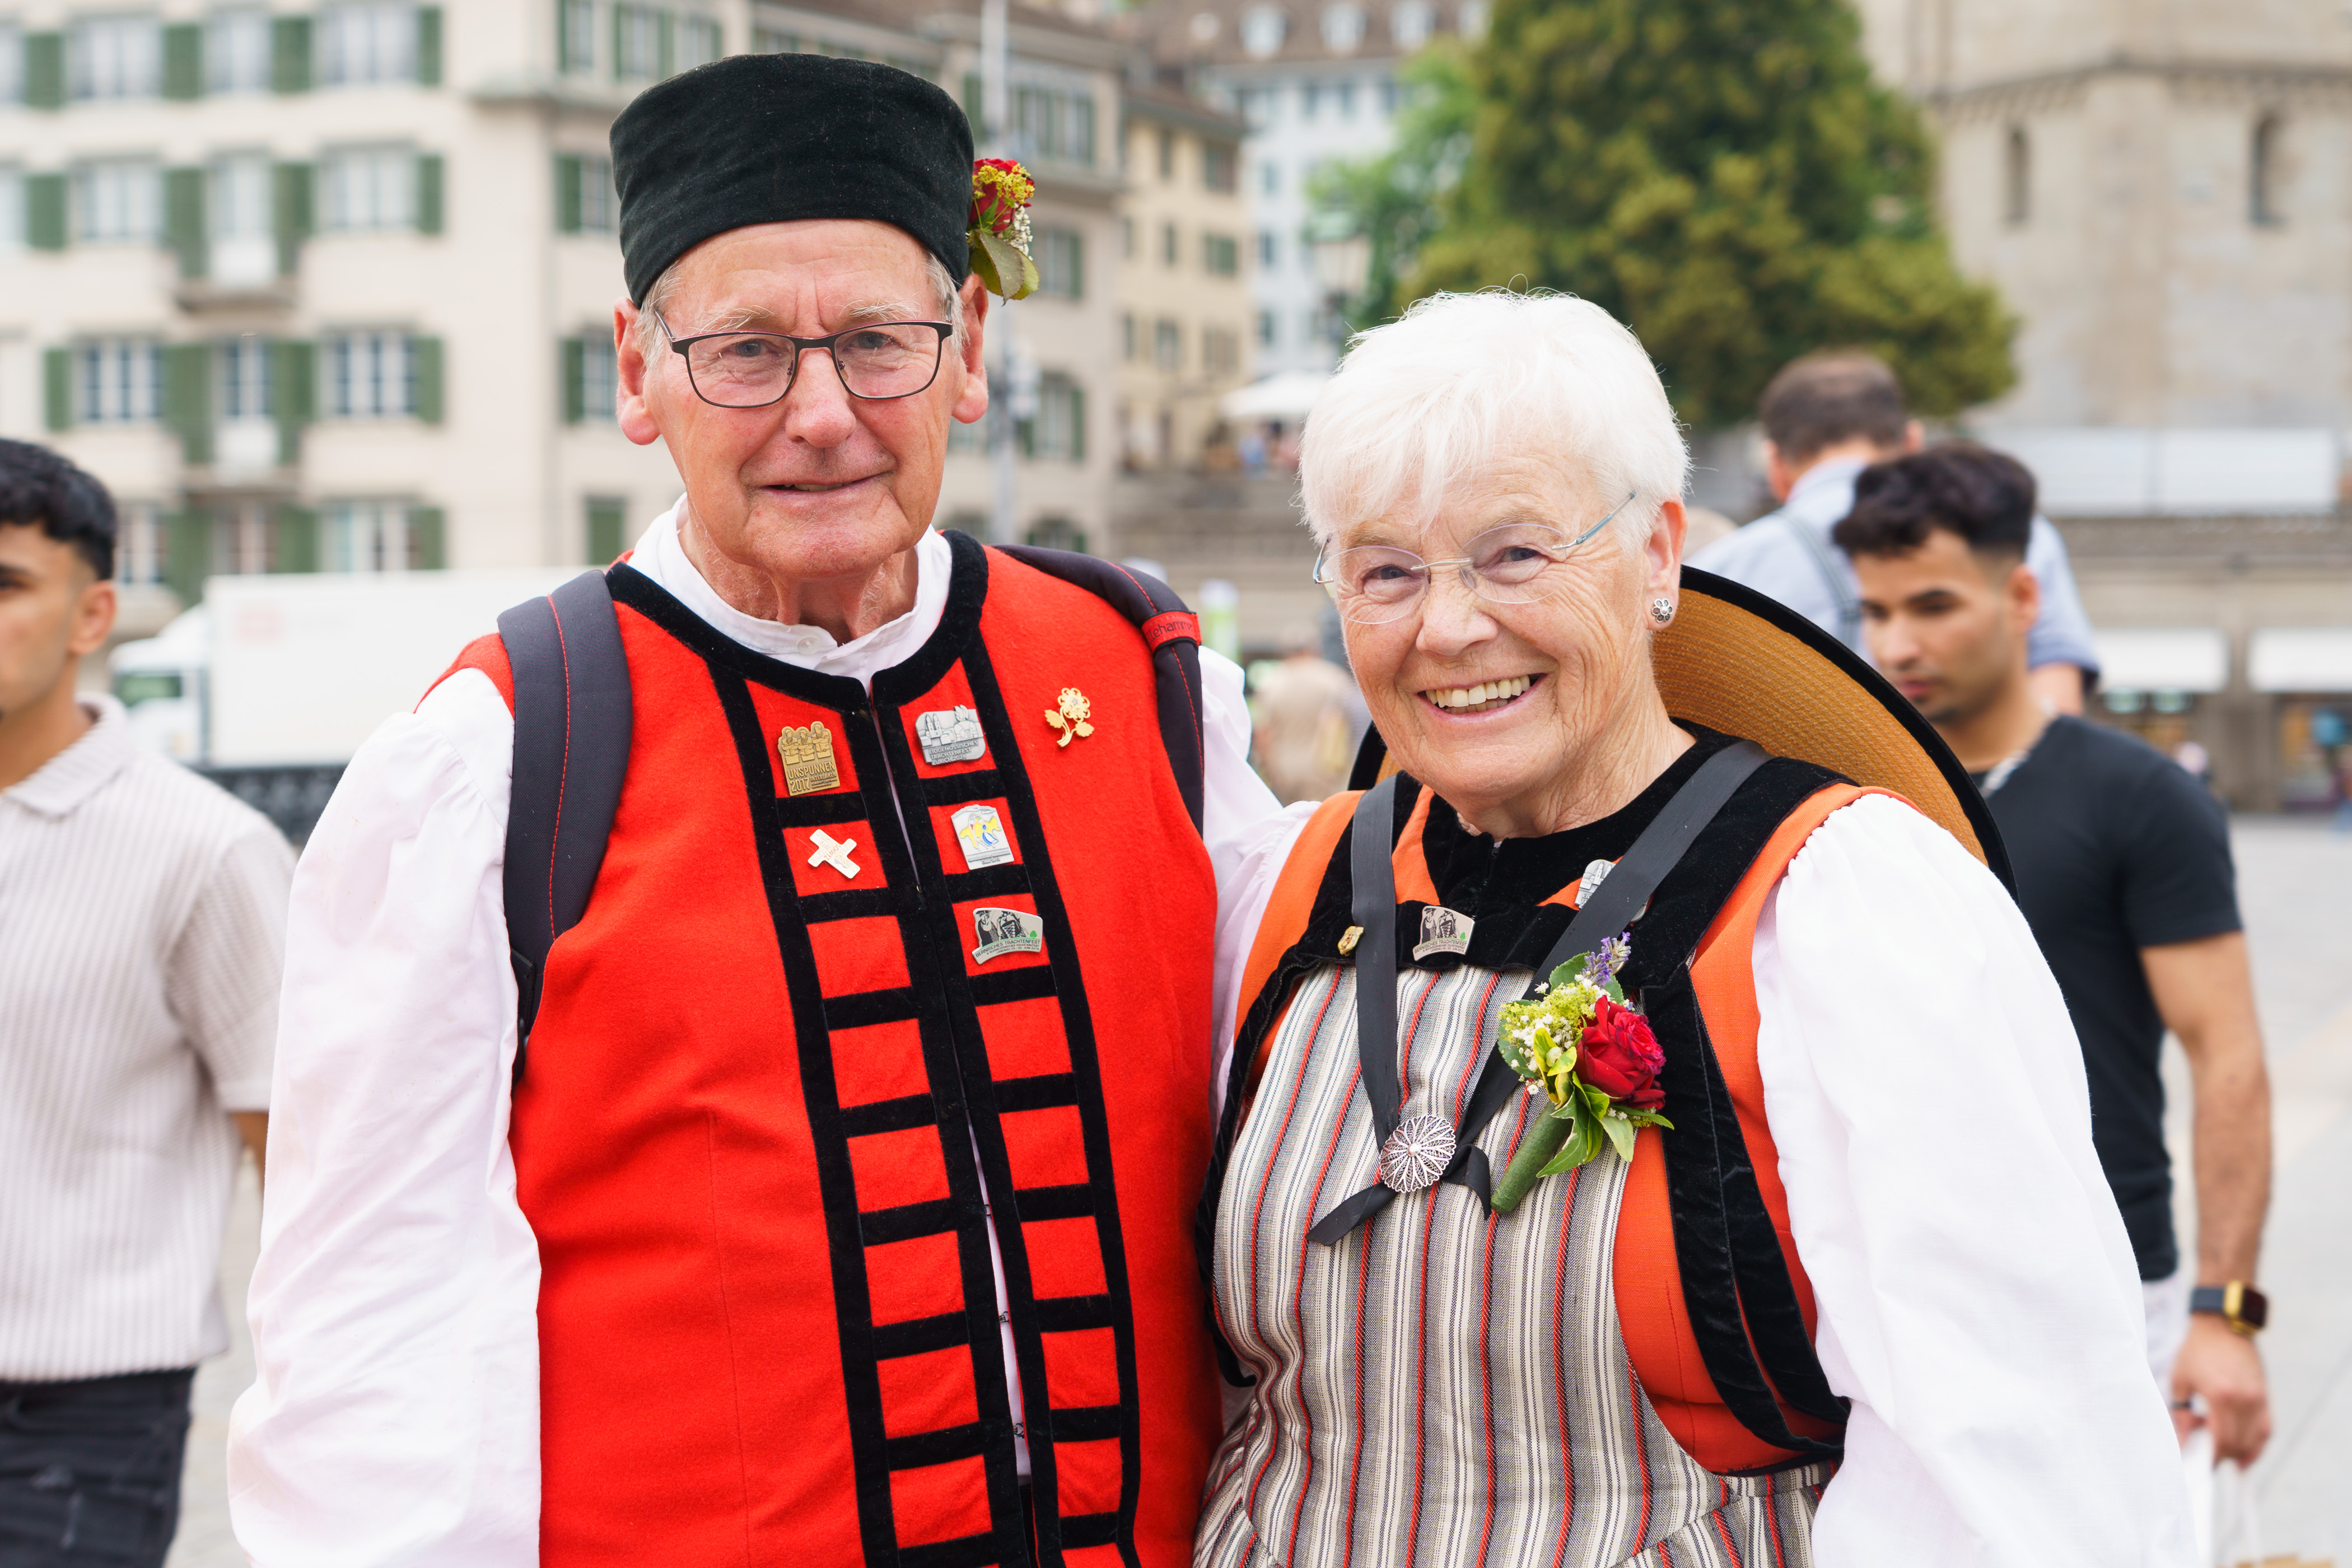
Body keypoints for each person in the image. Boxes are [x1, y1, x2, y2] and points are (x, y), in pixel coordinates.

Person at [228, 55, 1292, 1567]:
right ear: (636, 371)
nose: (822, 415)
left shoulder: (1146, 681)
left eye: (877, 343)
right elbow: (374, 1324)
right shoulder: (499, 752)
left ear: (970, 349)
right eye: (743, 353)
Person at [1196, 292, 2190, 1566]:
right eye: (1386, 569)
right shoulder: (1281, 888)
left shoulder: (1840, 911)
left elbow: (2019, 1473)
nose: (1446, 627)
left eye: (1514, 554)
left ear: (1658, 553)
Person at [1835, 444, 2274, 1466]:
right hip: (1890, 1286)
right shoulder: (1843, 798)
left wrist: (2226, 1313)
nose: (1900, 642)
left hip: (2110, 1283)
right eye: (1877, 610)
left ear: (2022, 595)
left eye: (1934, 605)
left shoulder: (2143, 798)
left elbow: (2230, 1056)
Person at [0, 440, 288, 1565]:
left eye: (8, 585)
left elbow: (296, 1160)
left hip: (78, 1420)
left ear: (93, 614)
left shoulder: (206, 848)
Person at [1693, 350, 2099, 714]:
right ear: (1913, 442)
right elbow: (2057, 704)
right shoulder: (2011, 527)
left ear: (1774, 463)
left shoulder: (1715, 572)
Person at [1249, 623, 1356, 804]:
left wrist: (1269, 769)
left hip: (1285, 767)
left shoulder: (1271, 684)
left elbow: (1263, 733)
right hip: (1326, 766)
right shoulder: (1334, 679)